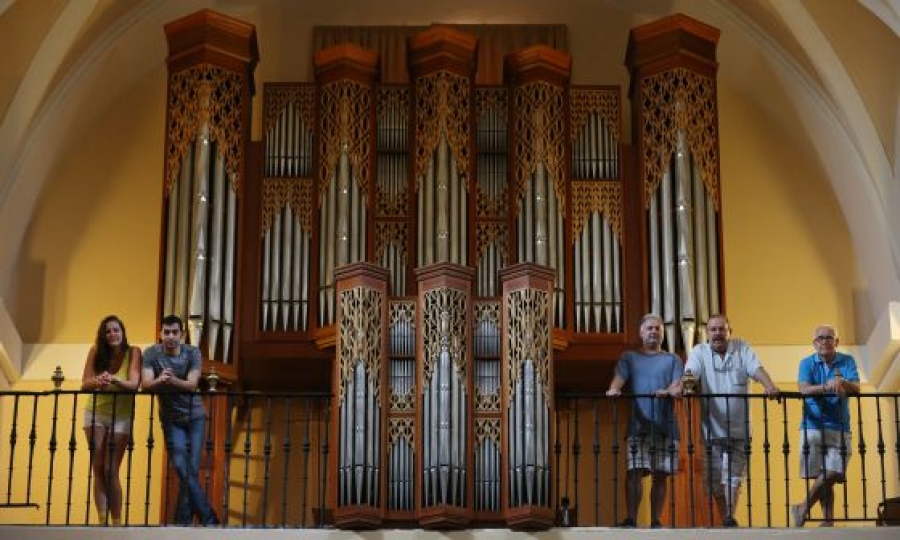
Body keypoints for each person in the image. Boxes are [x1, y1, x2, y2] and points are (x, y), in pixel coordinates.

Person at [682, 314, 780, 527]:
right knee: (715, 480)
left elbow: (756, 369)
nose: (717, 333)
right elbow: (691, 373)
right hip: (711, 429)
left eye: (721, 329)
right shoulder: (699, 351)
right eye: (713, 330)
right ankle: (725, 517)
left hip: (740, 428)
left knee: (734, 477)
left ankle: (729, 515)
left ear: (729, 331)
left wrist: (769, 386)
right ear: (707, 333)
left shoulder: (742, 347)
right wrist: (687, 384)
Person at [606, 313, 683, 528]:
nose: (653, 331)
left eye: (657, 328)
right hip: (638, 426)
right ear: (641, 332)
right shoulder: (629, 357)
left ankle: (656, 520)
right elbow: (619, 379)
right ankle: (631, 518)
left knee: (661, 476)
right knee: (634, 473)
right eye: (649, 328)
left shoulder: (673, 359)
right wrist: (614, 389)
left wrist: (667, 391)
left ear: (662, 333)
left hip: (665, 426)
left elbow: (678, 386)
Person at [141, 314, 218, 526]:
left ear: (182, 334)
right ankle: (207, 515)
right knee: (181, 467)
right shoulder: (150, 353)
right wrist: (159, 380)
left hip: (195, 417)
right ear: (160, 334)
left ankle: (182, 519)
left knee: (191, 470)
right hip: (171, 419)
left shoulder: (193, 352)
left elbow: (192, 384)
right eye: (166, 332)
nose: (171, 336)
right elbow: (145, 384)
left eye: (175, 332)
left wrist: (172, 379)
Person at [791, 324, 859, 528]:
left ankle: (802, 507)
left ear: (836, 342)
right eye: (820, 338)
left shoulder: (847, 361)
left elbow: (857, 387)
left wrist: (843, 383)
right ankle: (828, 520)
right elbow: (803, 389)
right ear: (814, 343)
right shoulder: (806, 363)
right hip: (812, 426)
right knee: (823, 475)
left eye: (829, 337)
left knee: (834, 472)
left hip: (840, 426)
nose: (825, 341)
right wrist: (828, 386)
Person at [80, 315, 142, 525]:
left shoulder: (133, 352)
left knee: (111, 468)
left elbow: (134, 385)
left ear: (123, 333)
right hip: (95, 412)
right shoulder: (96, 351)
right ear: (103, 336)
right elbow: (85, 384)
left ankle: (117, 521)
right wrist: (98, 381)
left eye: (116, 330)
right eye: (108, 331)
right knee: (98, 466)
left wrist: (115, 379)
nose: (112, 334)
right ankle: (102, 521)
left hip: (122, 415)